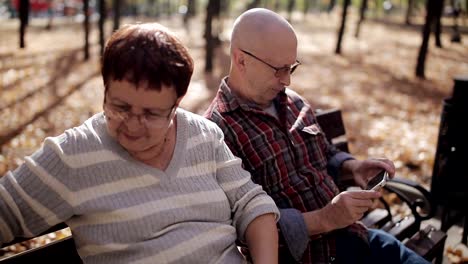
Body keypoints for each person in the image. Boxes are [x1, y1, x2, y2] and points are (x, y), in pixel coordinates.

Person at [0, 22, 280, 264]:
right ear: (105, 88)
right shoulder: (73, 155)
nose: (133, 125)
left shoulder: (204, 135)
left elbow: (251, 204)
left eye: (151, 114)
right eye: (119, 107)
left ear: (177, 103)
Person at [204, 8, 430, 264]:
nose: (287, 81)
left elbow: (324, 154)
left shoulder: (292, 102)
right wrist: (325, 218)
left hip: (357, 237)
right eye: (279, 69)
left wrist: (353, 168)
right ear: (241, 59)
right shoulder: (217, 132)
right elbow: (242, 230)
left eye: (292, 68)